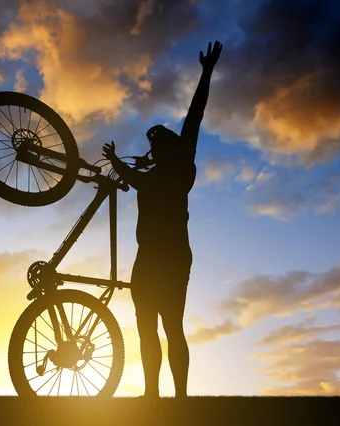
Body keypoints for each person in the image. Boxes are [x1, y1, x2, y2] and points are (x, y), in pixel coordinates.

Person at [102, 40, 223, 399]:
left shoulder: (181, 165)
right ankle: (154, 393)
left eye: (158, 146)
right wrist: (118, 163)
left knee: (170, 325)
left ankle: (178, 395)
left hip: (169, 258)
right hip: (149, 258)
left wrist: (207, 71)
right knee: (147, 327)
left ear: (169, 147)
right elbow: (135, 176)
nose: (153, 151)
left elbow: (195, 116)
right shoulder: (154, 173)